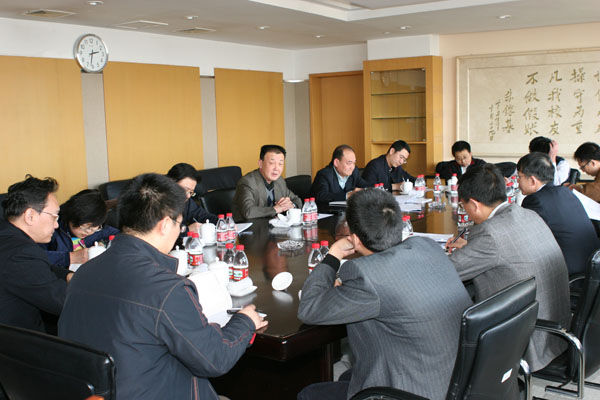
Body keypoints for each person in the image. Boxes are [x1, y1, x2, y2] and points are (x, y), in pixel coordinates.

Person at [58, 173, 267, 400]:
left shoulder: (83, 274)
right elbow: (215, 359)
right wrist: (245, 321)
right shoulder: (166, 288)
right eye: (179, 223)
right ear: (166, 224)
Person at [298, 189, 472, 400]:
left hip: (412, 392)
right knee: (347, 377)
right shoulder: (426, 246)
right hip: (457, 379)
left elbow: (309, 308)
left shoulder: (365, 275)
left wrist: (333, 255)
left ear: (354, 239)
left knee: (308, 394)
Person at [446, 164, 570, 372]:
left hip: (528, 340)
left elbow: (447, 272)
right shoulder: (527, 214)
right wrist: (471, 248)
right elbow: (508, 249)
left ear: (474, 204)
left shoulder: (489, 234)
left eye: (463, 205)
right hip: (557, 329)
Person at [0, 175, 72, 332]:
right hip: (17, 341)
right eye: (54, 216)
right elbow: (64, 302)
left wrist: (67, 275)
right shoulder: (21, 253)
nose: (56, 225)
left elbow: (39, 268)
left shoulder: (7, 234)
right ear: (30, 216)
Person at [517, 152, 599, 276]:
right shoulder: (565, 191)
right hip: (591, 266)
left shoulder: (535, 200)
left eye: (519, 176)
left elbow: (525, 238)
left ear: (532, 180)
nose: (517, 181)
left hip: (568, 273)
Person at [43, 189, 119, 267]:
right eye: (85, 226)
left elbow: (118, 234)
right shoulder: (53, 229)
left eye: (94, 228)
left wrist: (103, 243)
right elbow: (38, 256)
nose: (89, 232)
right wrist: (70, 257)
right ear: (73, 216)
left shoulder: (96, 226)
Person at [232, 144, 302, 221]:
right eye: (272, 163)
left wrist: (291, 205)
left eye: (280, 164)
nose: (276, 168)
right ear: (260, 163)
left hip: (274, 226)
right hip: (250, 226)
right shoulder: (247, 182)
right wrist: (276, 209)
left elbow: (297, 200)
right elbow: (248, 212)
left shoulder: (279, 181)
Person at [310, 144, 367, 209]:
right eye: (349, 163)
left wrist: (364, 190)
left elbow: (365, 185)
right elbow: (321, 196)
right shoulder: (324, 174)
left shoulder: (354, 172)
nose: (352, 167)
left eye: (354, 163)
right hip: (325, 212)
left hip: (346, 211)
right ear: (336, 162)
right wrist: (348, 195)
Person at [166, 162, 218, 232]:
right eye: (184, 190)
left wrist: (221, 223)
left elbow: (203, 216)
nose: (188, 196)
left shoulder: (187, 201)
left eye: (191, 192)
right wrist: (188, 230)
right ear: (171, 183)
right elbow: (162, 233)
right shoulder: (156, 201)